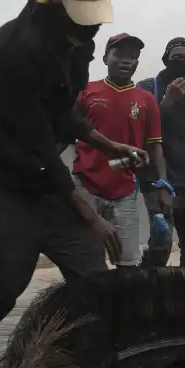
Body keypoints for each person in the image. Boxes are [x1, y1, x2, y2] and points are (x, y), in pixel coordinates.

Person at [0, 0, 149, 368]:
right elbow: (37, 149)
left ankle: (96, 360)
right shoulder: (14, 53)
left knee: (89, 263)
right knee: (4, 280)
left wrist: (109, 144)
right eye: (83, 21)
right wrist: (90, 213)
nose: (92, 28)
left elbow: (63, 113)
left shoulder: (77, 42)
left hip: (39, 171)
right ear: (54, 2)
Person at [74, 33, 168, 268]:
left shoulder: (146, 100)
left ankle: (122, 305)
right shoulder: (85, 91)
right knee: (86, 262)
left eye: (133, 56)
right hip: (85, 187)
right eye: (120, 55)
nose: (127, 61)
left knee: (128, 264)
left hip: (124, 192)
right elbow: (64, 131)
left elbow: (155, 147)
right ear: (106, 58)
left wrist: (164, 185)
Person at [137, 37, 185, 268]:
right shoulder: (147, 88)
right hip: (157, 180)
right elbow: (140, 130)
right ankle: (148, 289)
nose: (182, 63)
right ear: (165, 60)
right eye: (176, 58)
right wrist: (167, 102)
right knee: (162, 244)